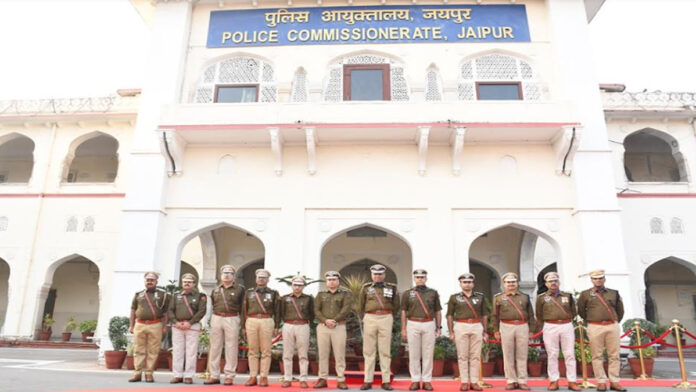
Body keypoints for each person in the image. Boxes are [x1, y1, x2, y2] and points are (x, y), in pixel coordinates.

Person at [577, 269, 626, 392]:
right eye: (595, 278)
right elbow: (581, 310)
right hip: (595, 326)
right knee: (596, 355)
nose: (598, 280)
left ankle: (614, 381)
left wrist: (614, 320)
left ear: (604, 279)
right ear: (591, 280)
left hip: (611, 326)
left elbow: (620, 310)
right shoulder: (585, 294)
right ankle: (601, 381)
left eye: (600, 278)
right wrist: (592, 319)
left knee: (614, 355)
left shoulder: (614, 293)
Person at [535, 272, 580, 391]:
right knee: (552, 354)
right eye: (550, 281)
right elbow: (539, 314)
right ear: (546, 283)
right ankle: (554, 380)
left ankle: (572, 381)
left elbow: (574, 311)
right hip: (550, 326)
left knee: (569, 354)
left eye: (555, 280)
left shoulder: (568, 296)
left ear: (559, 282)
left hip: (566, 325)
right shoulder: (541, 298)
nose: (553, 283)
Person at [358, 264, 400, 391]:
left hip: (386, 317)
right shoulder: (365, 288)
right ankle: (368, 380)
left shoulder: (392, 288)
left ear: (384, 275)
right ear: (371, 275)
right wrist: (364, 318)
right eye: (375, 274)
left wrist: (388, 316)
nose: (377, 276)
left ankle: (386, 380)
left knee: (385, 351)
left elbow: (396, 305)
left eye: (380, 274)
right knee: (368, 351)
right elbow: (360, 305)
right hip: (370, 318)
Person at [492, 272, 535, 391]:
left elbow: (531, 314)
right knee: (508, 354)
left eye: (513, 282)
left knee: (522, 354)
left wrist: (531, 330)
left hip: (522, 326)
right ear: (504, 284)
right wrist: (496, 330)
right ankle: (511, 380)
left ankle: (522, 380)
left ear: (517, 283)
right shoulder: (498, 297)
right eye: (508, 282)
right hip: (506, 326)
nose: (511, 284)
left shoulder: (524, 297)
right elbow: (494, 315)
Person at [401, 269, 442, 391]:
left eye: (422, 277)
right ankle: (415, 380)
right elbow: (403, 311)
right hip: (412, 323)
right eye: (418, 277)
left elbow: (438, 311)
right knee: (413, 353)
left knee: (428, 354)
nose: (420, 279)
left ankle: (427, 381)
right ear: (414, 278)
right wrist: (403, 328)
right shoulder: (407, 293)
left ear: (426, 278)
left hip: (428, 323)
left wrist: (438, 327)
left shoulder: (433, 293)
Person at [204, 265, 245, 385]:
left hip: (232, 318)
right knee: (215, 347)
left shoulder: (239, 289)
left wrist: (242, 324)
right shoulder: (216, 290)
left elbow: (243, 307)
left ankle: (229, 375)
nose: (226, 275)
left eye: (229, 273)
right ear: (221, 276)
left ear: (234, 276)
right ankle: (214, 375)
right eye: (224, 273)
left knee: (231, 347)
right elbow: (212, 306)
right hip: (217, 317)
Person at [446, 273, 487, 392]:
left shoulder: (480, 297)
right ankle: (464, 381)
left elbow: (484, 315)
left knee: (475, 355)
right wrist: (451, 332)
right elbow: (449, 315)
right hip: (461, 325)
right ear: (460, 284)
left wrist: (485, 331)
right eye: (464, 282)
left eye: (469, 282)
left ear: (473, 283)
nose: (467, 284)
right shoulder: (454, 297)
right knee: (462, 356)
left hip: (476, 325)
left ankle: (474, 381)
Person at [128, 271, 170, 383]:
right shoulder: (138, 294)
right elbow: (133, 310)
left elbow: (166, 312)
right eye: (148, 280)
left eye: (152, 280)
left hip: (155, 324)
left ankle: (149, 373)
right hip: (140, 324)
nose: (150, 282)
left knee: (153, 350)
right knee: (138, 349)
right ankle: (137, 373)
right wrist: (131, 325)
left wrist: (165, 326)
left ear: (156, 281)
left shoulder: (164, 295)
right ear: (145, 281)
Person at [313, 270, 352, 390]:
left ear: (338, 281)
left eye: (334, 279)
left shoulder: (345, 294)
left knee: (339, 354)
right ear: (326, 281)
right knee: (323, 354)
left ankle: (341, 379)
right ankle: (322, 379)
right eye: (329, 280)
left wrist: (334, 320)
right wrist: (325, 321)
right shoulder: (320, 294)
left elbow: (346, 309)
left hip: (339, 326)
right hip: (323, 327)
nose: (331, 282)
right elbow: (316, 310)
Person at [243, 268, 281, 387]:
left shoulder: (274, 293)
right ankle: (253, 376)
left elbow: (278, 311)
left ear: (268, 280)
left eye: (264, 277)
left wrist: (277, 326)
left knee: (266, 350)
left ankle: (264, 376)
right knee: (252, 350)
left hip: (267, 320)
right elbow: (243, 310)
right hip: (252, 320)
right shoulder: (249, 292)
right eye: (259, 277)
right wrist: (243, 325)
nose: (261, 279)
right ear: (256, 279)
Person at [168, 273, 207, 384]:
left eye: (189, 281)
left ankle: (188, 375)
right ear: (182, 283)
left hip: (192, 326)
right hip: (178, 326)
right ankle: (177, 375)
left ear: (194, 283)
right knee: (177, 350)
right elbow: (170, 310)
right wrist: (176, 322)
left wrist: (190, 322)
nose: (187, 283)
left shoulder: (200, 296)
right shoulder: (176, 295)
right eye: (185, 281)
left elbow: (201, 311)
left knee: (191, 351)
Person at [279, 275, 314, 388]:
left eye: (300, 285)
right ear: (292, 285)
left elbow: (312, 313)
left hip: (303, 325)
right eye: (295, 285)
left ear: (303, 286)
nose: (297, 287)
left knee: (303, 354)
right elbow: (281, 312)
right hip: (288, 325)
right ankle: (287, 378)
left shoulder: (308, 298)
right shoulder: (285, 298)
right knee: (287, 353)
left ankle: (303, 378)